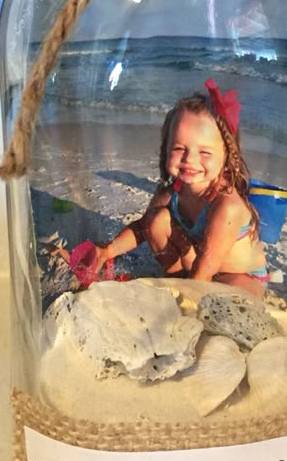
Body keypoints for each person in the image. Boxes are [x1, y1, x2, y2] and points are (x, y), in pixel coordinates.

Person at [67, 79, 269, 299]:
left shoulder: (226, 206)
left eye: (205, 153)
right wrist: (108, 251)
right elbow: (142, 227)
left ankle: (186, 290)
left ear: (229, 156)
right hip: (198, 268)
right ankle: (179, 280)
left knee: (231, 298)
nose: (190, 160)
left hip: (238, 276)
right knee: (155, 220)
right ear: (166, 149)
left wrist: (186, 302)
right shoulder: (173, 191)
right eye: (180, 148)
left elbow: (206, 266)